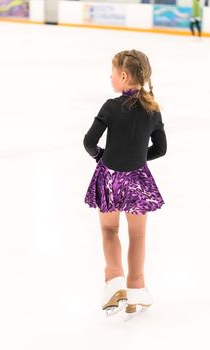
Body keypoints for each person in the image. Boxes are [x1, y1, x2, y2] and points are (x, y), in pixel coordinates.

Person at [83, 49, 167, 318]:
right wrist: (139, 158)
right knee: (138, 235)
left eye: (112, 72)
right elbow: (161, 149)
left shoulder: (110, 106)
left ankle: (114, 282)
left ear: (123, 75)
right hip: (137, 180)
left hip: (109, 178)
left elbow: (89, 143)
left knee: (109, 231)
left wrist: (102, 157)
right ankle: (136, 288)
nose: (110, 77)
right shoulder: (152, 109)